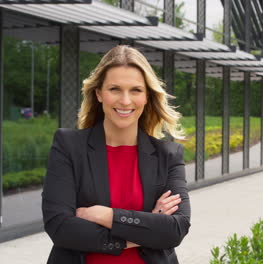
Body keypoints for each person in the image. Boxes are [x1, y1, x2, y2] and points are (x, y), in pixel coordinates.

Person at [42, 45, 191, 264]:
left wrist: (107, 216)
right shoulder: (69, 146)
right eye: (115, 89)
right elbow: (60, 227)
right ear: (99, 94)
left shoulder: (168, 155)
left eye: (135, 90)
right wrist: (145, 229)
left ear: (147, 97)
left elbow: (175, 229)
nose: (125, 100)